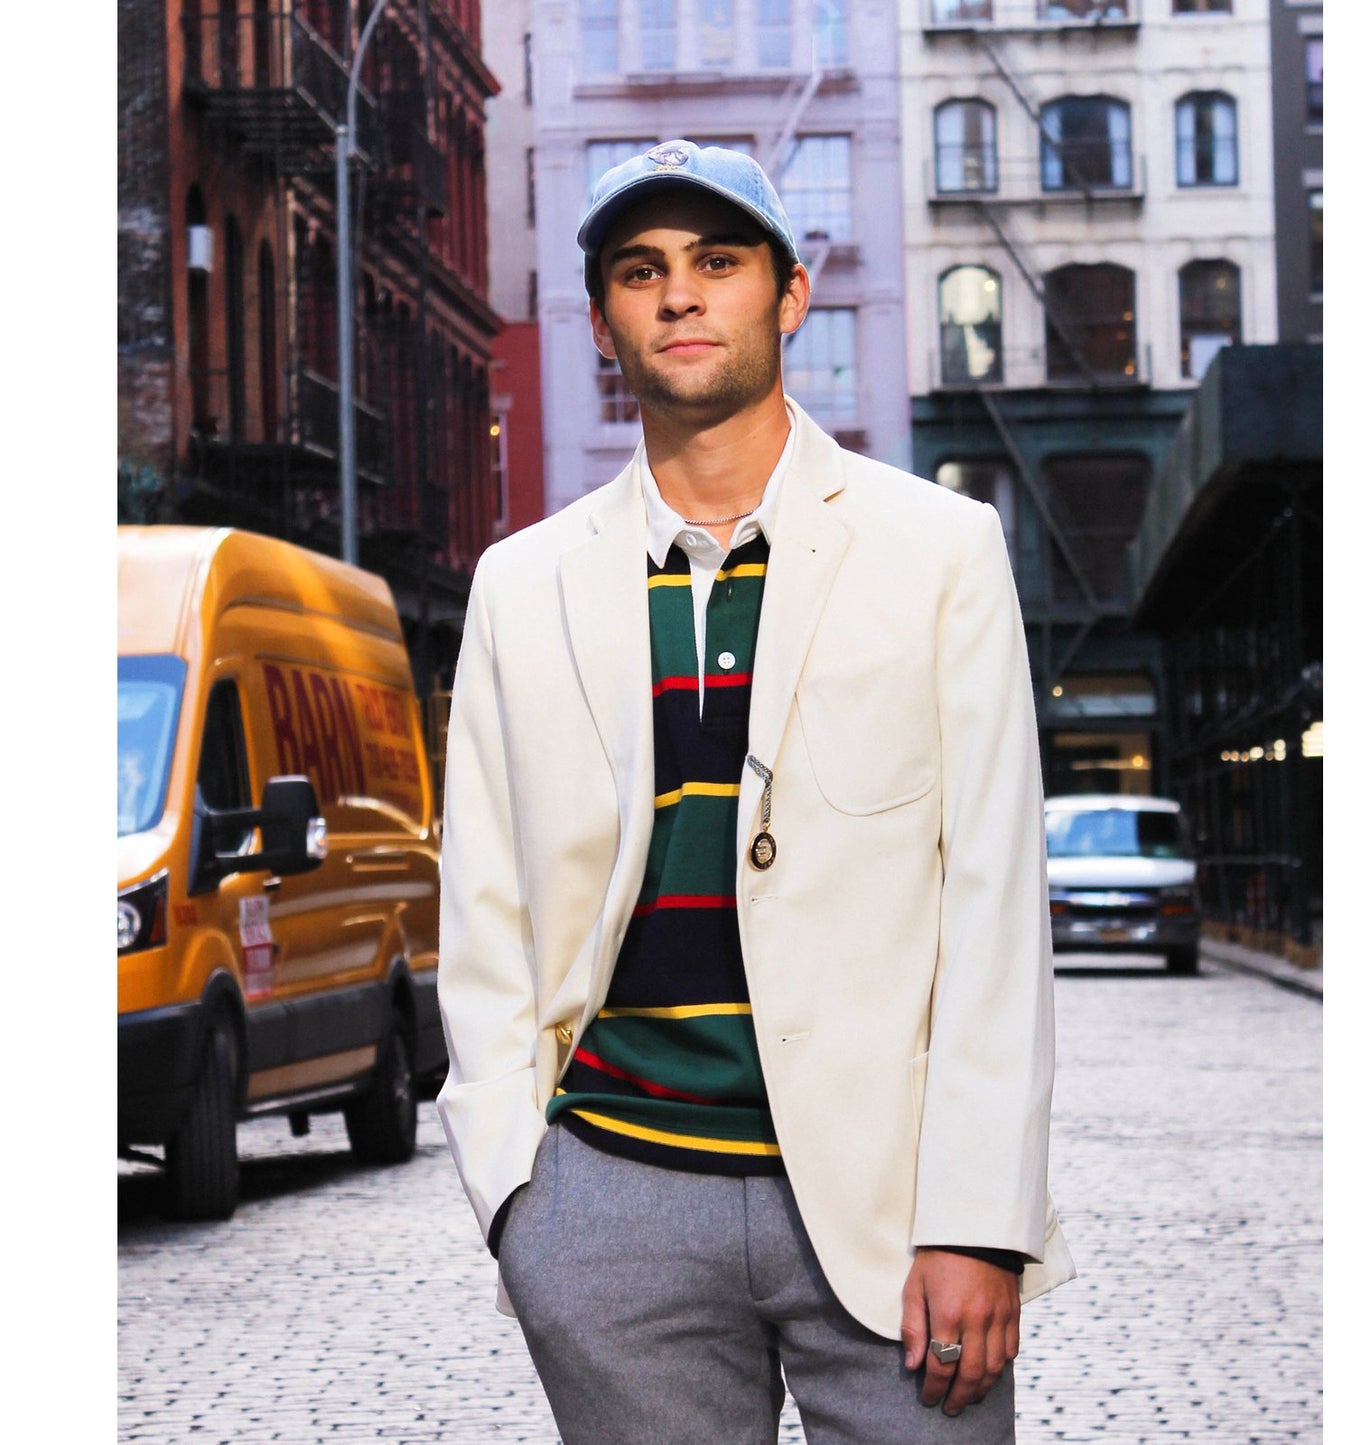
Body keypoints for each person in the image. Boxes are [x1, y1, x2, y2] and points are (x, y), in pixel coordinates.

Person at [436, 139, 1075, 1445]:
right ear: (602, 320)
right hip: (610, 1199)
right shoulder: (522, 584)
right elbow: (483, 909)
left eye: (717, 261)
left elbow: (994, 903)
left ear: (789, 295)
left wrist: (979, 1219)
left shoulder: (939, 549)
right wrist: (520, 1204)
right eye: (640, 271)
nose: (679, 293)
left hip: (894, 1205)